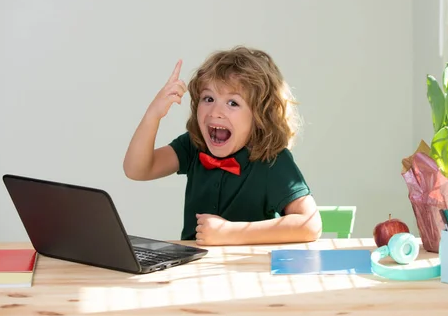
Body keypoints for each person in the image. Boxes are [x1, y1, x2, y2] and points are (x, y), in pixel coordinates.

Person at [123, 46, 321, 246]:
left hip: (247, 270)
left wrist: (230, 232)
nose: (215, 111)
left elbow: (310, 224)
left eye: (233, 103)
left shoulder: (273, 160)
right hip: (193, 268)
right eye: (208, 99)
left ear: (260, 115)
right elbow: (137, 170)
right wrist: (153, 115)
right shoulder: (194, 146)